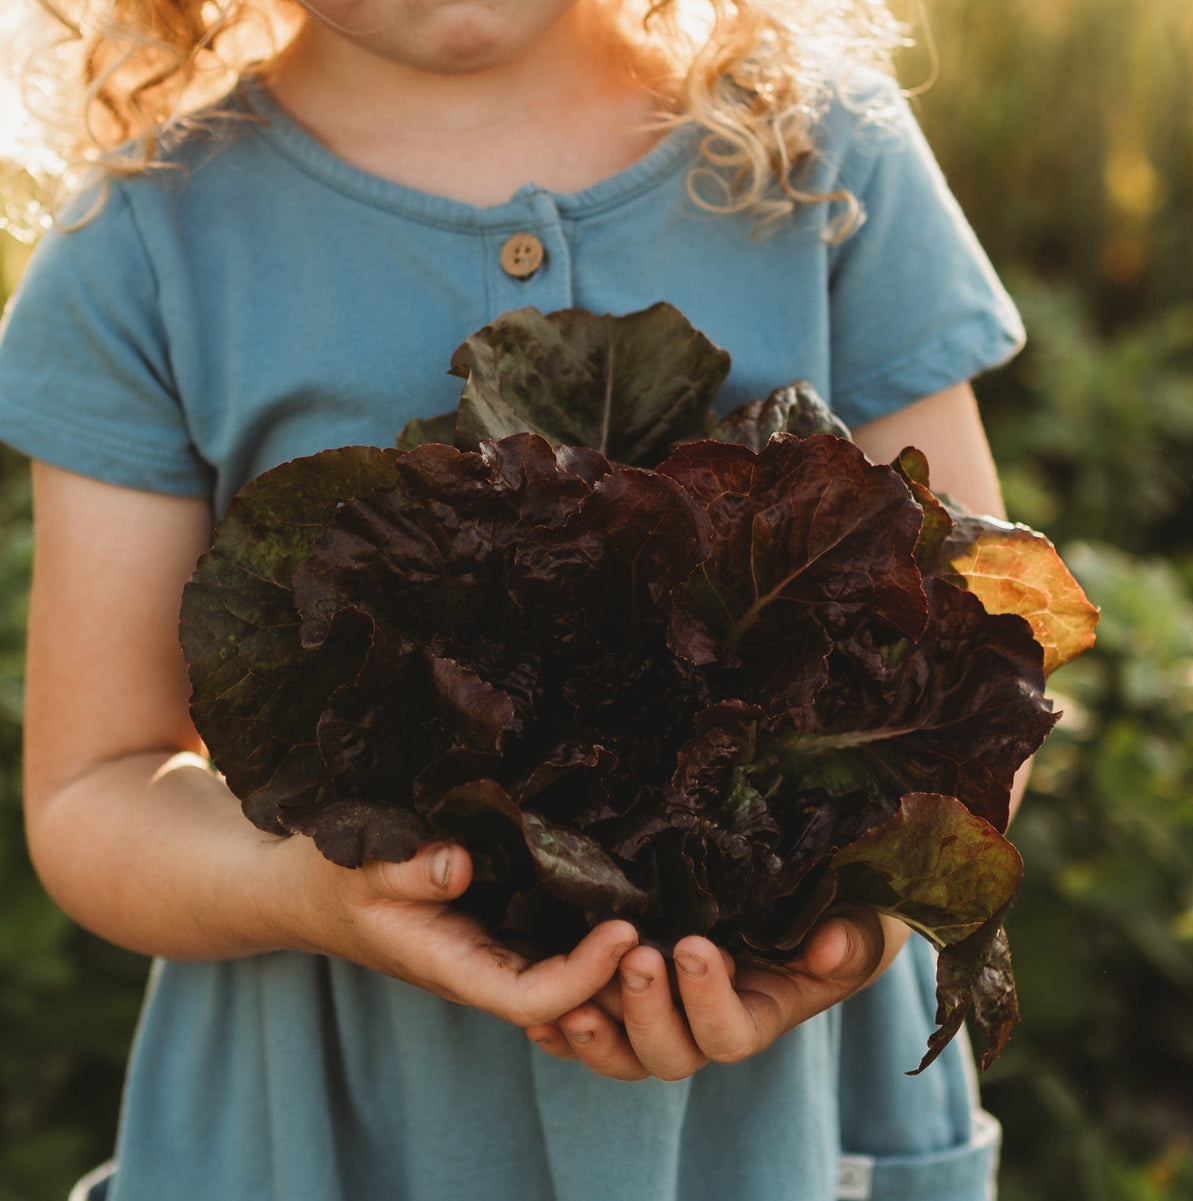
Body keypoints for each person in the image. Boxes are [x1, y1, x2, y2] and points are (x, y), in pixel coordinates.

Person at [0, 2, 1029, 1198]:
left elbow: (989, 665)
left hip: (774, 1124)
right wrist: (308, 889)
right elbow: (95, 786)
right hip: (328, 1128)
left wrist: (857, 929)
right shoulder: (148, 243)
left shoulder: (817, 154)